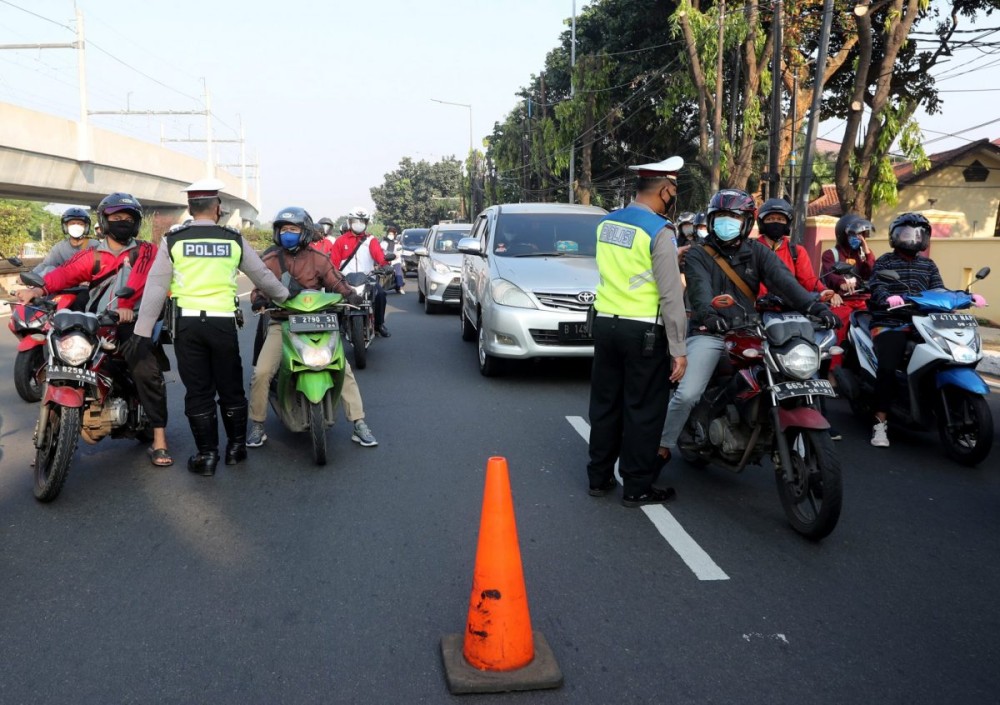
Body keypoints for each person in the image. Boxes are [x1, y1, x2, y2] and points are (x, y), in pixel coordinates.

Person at [658, 189, 840, 462]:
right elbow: (699, 291)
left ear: (746, 222)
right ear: (711, 219)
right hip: (710, 331)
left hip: (751, 331)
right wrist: (709, 315)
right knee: (688, 393)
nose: (727, 222)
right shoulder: (698, 254)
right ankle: (662, 446)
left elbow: (785, 282)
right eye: (721, 216)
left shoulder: (757, 251)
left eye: (733, 216)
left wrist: (815, 307)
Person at [132, 179, 290, 476]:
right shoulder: (232, 238)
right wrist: (286, 297)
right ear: (217, 208)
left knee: (199, 391)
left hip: (188, 326)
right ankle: (236, 449)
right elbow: (263, 277)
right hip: (223, 325)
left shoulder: (174, 240)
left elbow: (155, 287)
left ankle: (206, 457)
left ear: (190, 208)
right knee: (230, 387)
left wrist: (142, 333)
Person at [15, 193, 172, 466]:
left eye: (128, 218)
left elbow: (140, 279)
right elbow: (64, 273)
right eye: (116, 218)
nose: (122, 222)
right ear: (104, 221)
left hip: (132, 320)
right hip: (98, 322)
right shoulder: (94, 254)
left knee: (145, 369)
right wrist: (38, 289)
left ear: (135, 223)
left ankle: (159, 439)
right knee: (61, 349)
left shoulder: (146, 251)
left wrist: (125, 306)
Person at [587, 156, 689, 508]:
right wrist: (678, 348)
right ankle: (636, 487)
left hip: (605, 324)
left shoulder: (606, 224)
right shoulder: (659, 231)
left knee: (605, 405)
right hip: (644, 332)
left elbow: (625, 270)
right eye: (673, 189)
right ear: (664, 190)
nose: (673, 195)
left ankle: (598, 478)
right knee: (643, 411)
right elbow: (670, 294)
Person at [246, 207, 378, 448]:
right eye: (284, 229)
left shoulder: (319, 258)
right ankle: (257, 425)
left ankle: (359, 423)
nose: (288, 234)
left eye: (293, 229)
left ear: (304, 232)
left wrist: (351, 295)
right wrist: (259, 300)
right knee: (262, 372)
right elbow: (258, 287)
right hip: (283, 322)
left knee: (343, 369)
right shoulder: (271, 261)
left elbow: (336, 281)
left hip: (318, 322)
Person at [866, 212, 987, 447]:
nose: (913, 239)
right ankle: (880, 424)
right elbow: (877, 286)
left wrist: (966, 296)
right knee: (888, 367)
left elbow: (939, 291)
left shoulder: (928, 265)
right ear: (895, 236)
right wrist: (889, 298)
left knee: (950, 355)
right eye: (907, 233)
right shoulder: (885, 262)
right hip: (892, 323)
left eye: (919, 234)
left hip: (926, 323)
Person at [755, 198, 839, 306]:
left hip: (789, 307)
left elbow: (808, 280)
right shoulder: (752, 249)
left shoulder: (797, 251)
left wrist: (824, 291)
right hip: (757, 310)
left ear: (787, 224)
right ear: (762, 223)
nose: (775, 222)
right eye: (770, 219)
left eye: (780, 219)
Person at [821, 214, 875, 361]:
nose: (858, 238)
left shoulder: (863, 255)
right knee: (839, 324)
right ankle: (834, 369)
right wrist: (841, 283)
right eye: (855, 234)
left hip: (863, 300)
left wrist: (867, 251)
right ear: (843, 234)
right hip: (842, 300)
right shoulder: (831, 254)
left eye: (861, 234)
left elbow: (871, 273)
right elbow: (829, 275)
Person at [330, 207, 391, 337]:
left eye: (362, 221)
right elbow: (333, 263)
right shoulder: (340, 241)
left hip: (367, 278)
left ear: (366, 223)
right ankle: (336, 326)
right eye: (356, 220)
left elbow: (379, 256)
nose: (359, 223)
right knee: (333, 298)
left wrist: (385, 265)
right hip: (345, 279)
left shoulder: (371, 240)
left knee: (380, 295)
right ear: (350, 222)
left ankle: (379, 324)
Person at [32, 207, 99, 277]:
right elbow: (46, 265)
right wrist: (30, 275)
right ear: (66, 227)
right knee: (49, 269)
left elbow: (101, 268)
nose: (76, 226)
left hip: (88, 284)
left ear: (86, 227)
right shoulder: (59, 247)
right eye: (72, 223)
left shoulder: (95, 245)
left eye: (80, 224)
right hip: (65, 285)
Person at [380, 225, 405, 294]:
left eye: (392, 234)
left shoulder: (397, 243)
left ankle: (400, 287)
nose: (390, 235)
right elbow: (380, 251)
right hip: (385, 261)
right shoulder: (383, 242)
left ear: (394, 235)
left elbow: (399, 251)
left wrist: (396, 256)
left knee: (398, 272)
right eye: (389, 234)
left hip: (395, 261)